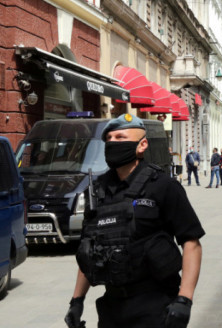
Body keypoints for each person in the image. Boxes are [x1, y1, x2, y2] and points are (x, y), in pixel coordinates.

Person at [65, 113, 204, 328]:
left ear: (142, 145)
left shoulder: (163, 185)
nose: (112, 143)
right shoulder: (97, 191)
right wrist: (77, 301)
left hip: (155, 303)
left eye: (120, 138)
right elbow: (89, 248)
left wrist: (184, 299)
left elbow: (191, 242)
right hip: (112, 307)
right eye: (109, 139)